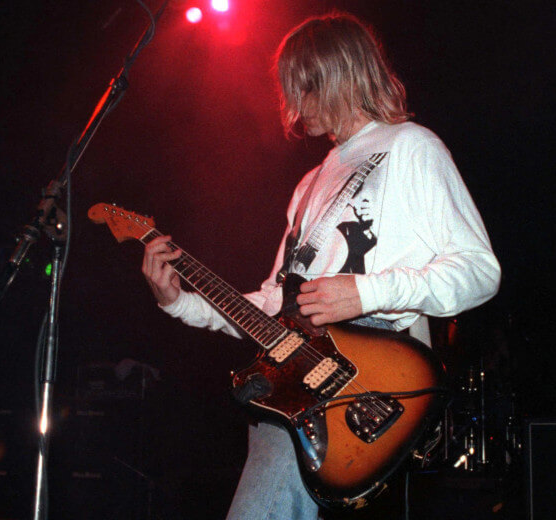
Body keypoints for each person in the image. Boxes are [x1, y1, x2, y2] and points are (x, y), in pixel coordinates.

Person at [141, 11, 500, 520]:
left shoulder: (410, 148)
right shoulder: (309, 185)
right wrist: (181, 302)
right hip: (296, 376)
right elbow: (273, 303)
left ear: (336, 75)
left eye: (301, 90)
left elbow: (480, 270)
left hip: (373, 365)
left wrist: (367, 293)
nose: (292, 109)